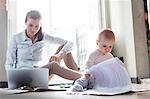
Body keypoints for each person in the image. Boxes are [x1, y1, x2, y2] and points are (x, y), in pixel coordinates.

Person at [5, 10, 81, 81]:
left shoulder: (43, 37)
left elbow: (70, 43)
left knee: (63, 47)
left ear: (40, 26)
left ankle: (79, 80)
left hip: (40, 73)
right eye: (30, 25)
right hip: (23, 75)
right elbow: (9, 63)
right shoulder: (16, 38)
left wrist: (60, 55)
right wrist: (13, 80)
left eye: (36, 26)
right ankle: (84, 78)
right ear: (25, 23)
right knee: (53, 66)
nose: (33, 29)